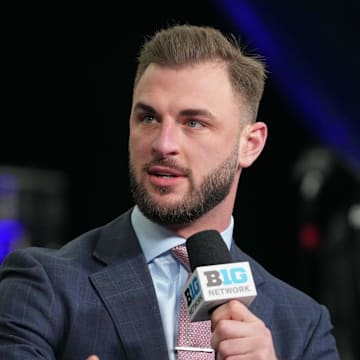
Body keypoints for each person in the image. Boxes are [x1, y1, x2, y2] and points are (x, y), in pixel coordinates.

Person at [0, 23, 340, 360]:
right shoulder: (41, 285)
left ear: (250, 144)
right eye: (148, 118)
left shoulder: (304, 326)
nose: (163, 144)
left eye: (193, 123)